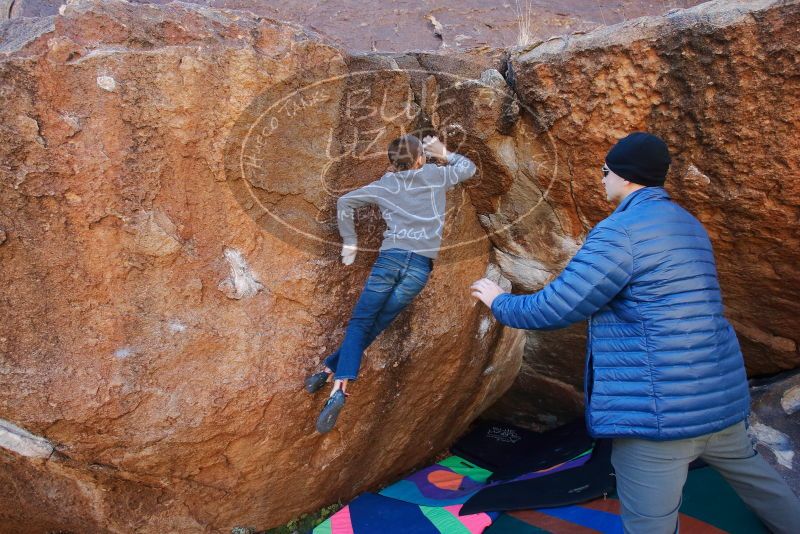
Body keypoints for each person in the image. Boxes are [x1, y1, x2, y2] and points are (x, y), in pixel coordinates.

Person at [470, 132, 800, 533]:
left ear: (624, 177)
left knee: (649, 522)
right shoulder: (688, 224)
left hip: (658, 414)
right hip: (718, 399)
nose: (602, 178)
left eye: (605, 171)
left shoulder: (620, 232)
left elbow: (556, 306)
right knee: (760, 483)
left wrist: (498, 300)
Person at [307, 133, 477, 434]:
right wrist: (443, 151)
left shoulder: (385, 184)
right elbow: (469, 169)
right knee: (374, 325)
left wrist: (350, 241)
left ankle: (337, 383)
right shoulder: (435, 175)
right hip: (419, 268)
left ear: (393, 162)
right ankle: (329, 371)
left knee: (361, 323)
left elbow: (345, 202)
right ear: (421, 158)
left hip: (390, 260)